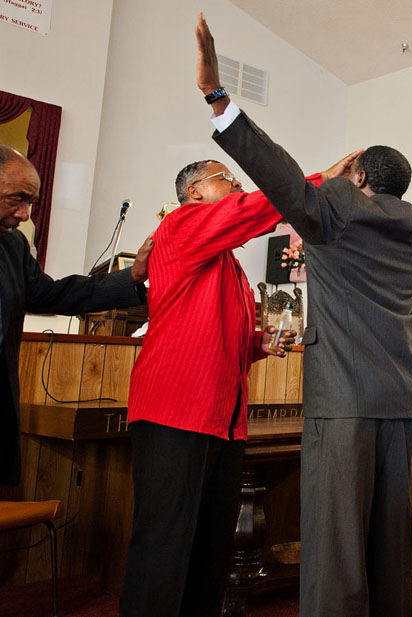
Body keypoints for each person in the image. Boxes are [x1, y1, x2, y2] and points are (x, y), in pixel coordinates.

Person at [195, 14, 412, 617]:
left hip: (342, 402)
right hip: (401, 403)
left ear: (361, 176)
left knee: (334, 550)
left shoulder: (337, 209)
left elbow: (278, 175)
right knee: (391, 542)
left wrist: (220, 100)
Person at [121, 148, 354, 614]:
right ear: (194, 193)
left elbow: (221, 339)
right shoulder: (181, 225)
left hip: (222, 421)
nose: (238, 186)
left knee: (211, 548)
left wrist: (258, 345)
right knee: (165, 546)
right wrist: (314, 182)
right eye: (226, 178)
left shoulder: (227, 263)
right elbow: (249, 210)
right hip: (176, 413)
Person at [0, 144, 151, 487]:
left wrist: (130, 277)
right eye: (17, 199)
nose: (25, 215)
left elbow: (52, 295)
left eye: (31, 204)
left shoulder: (12, 246)